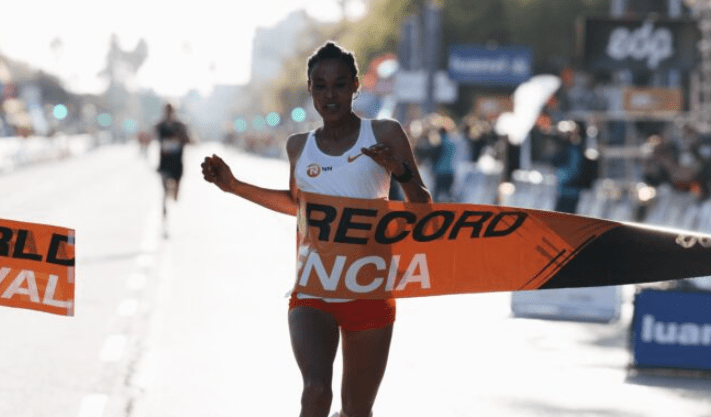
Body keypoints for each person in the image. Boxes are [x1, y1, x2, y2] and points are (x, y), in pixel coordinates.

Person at [201, 41, 431, 417]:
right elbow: (299, 207)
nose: (330, 94)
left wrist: (399, 170)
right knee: (315, 392)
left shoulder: (385, 133)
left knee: (357, 410)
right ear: (309, 89)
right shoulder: (298, 146)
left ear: (356, 85)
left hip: (368, 287)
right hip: (314, 287)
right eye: (320, 86)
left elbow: (423, 208)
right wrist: (235, 186)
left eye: (340, 84)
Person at [155, 103, 190, 233]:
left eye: (171, 111)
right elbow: (155, 137)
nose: (168, 113)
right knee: (164, 193)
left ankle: (174, 192)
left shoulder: (181, 125)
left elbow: (189, 140)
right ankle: (164, 218)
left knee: (175, 197)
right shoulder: (160, 125)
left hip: (177, 164)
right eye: (166, 111)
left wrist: (179, 138)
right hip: (164, 164)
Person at [552, 121, 584, 214]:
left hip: (570, 192)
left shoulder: (574, 150)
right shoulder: (567, 149)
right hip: (564, 191)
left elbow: (574, 171)